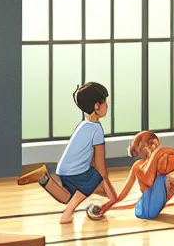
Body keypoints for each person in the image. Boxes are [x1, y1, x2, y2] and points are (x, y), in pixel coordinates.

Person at [17, 82, 113, 225]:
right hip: (76, 172)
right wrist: (110, 192)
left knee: (67, 196)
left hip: (64, 169)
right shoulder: (96, 130)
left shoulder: (84, 125)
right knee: (93, 179)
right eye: (106, 102)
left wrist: (105, 191)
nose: (107, 106)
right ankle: (67, 214)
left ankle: (44, 179)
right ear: (97, 106)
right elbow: (100, 167)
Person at [91, 130, 174, 221]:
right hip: (144, 208)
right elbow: (144, 183)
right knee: (168, 180)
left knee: (172, 182)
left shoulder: (160, 160)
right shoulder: (139, 165)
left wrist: (157, 153)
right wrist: (106, 206)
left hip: (152, 206)